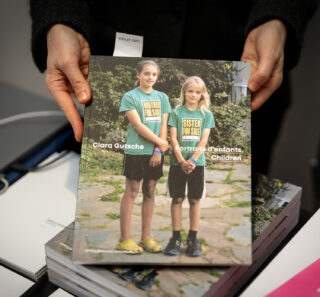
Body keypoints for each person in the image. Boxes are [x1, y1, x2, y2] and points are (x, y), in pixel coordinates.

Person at [29, 0, 317, 174]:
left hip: (246, 65)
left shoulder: (201, 113)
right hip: (111, 56)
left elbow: (196, 135)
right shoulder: (130, 98)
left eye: (196, 93)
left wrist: (278, 15)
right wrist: (59, 16)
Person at [117, 60, 171, 254]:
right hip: (135, 151)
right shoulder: (130, 97)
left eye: (154, 74)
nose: (150, 77)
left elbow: (164, 124)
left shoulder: (162, 97)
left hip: (155, 152)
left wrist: (158, 149)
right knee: (132, 191)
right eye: (146, 73)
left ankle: (146, 238)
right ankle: (124, 239)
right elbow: (138, 126)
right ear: (138, 75)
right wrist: (162, 143)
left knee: (150, 191)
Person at [164, 76, 214, 257]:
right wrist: (180, 160)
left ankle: (192, 238)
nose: (193, 95)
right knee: (177, 199)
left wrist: (192, 160)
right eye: (190, 91)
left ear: (202, 95)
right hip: (178, 164)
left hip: (197, 164)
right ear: (184, 92)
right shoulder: (176, 113)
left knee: (194, 200)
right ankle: (175, 237)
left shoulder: (206, 115)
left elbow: (204, 140)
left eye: (197, 92)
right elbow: (174, 138)